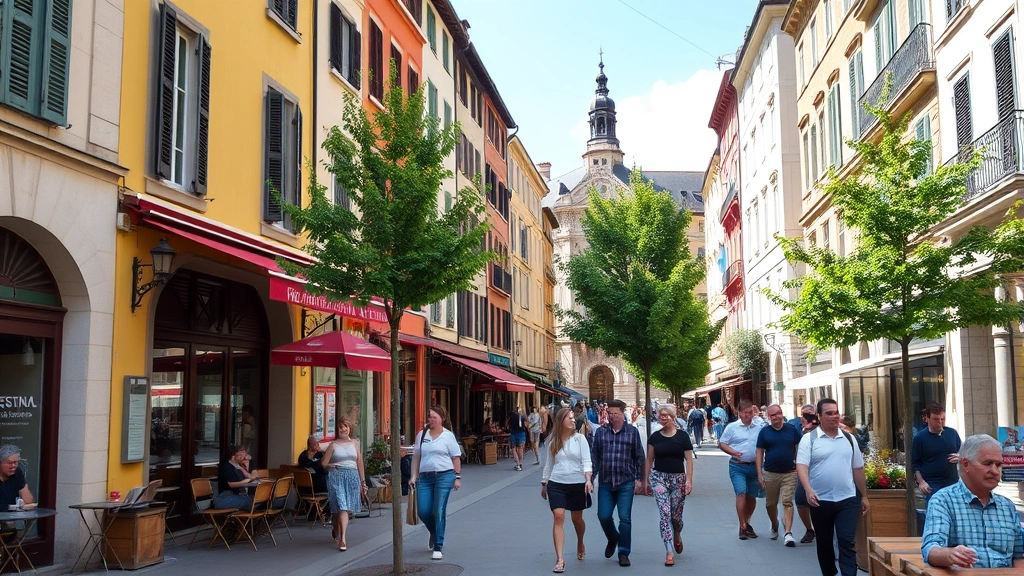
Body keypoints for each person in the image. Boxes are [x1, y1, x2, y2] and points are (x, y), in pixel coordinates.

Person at [921, 434, 1024, 568]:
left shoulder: (1007, 506)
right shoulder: (943, 501)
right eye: (987, 464)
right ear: (965, 464)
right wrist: (949, 555)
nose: (995, 471)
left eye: (998, 465)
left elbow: (1019, 557)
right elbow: (931, 549)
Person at [796, 398, 869, 576]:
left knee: (846, 541)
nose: (834, 416)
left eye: (836, 412)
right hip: (820, 500)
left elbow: (858, 468)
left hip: (848, 499)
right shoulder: (809, 439)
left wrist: (864, 496)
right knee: (825, 542)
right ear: (819, 416)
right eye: (829, 413)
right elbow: (802, 466)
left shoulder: (849, 438)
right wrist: (808, 490)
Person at [591, 399, 645, 567]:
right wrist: (590, 479)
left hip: (626, 482)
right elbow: (595, 457)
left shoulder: (632, 432)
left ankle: (623, 552)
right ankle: (613, 537)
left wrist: (639, 479)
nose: (611, 416)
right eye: (609, 413)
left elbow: (639, 456)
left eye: (615, 413)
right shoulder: (600, 432)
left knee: (625, 519)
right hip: (606, 482)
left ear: (623, 414)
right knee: (603, 516)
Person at [541, 408, 593, 573]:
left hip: (577, 483)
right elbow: (549, 464)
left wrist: (588, 480)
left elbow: (587, 461)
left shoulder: (580, 439)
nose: (573, 420)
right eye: (569, 418)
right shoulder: (553, 442)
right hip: (557, 483)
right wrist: (544, 483)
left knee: (577, 520)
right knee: (559, 517)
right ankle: (560, 559)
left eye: (573, 418)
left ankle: (580, 541)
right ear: (561, 421)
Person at [642, 405, 694, 567]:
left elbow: (689, 461)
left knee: (675, 517)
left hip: (678, 479)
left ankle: (677, 533)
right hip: (659, 478)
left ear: (673, 417)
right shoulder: (655, 437)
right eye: (660, 415)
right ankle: (669, 550)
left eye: (666, 415)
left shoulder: (683, 437)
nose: (663, 418)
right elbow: (649, 459)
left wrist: (689, 480)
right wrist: (646, 480)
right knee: (665, 515)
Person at [409, 405, 462, 561]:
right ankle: (434, 530)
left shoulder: (448, 436)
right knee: (423, 511)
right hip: (425, 477)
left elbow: (456, 457)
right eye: (429, 416)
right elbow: (416, 456)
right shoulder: (422, 434)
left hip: (444, 476)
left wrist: (457, 477)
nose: (430, 419)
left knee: (438, 510)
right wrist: (413, 476)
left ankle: (438, 545)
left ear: (441, 418)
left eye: (434, 417)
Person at [756, 404, 802, 547]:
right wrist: (759, 473)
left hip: (789, 473)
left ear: (782, 414)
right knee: (770, 504)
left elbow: (798, 448)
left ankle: (788, 533)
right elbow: (759, 452)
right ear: (768, 417)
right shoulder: (764, 432)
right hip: (770, 473)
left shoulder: (792, 430)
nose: (776, 417)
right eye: (772, 415)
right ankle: (775, 523)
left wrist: (798, 466)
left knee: (787, 502)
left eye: (778, 413)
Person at [718, 399, 763, 540]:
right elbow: (722, 443)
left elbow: (770, 428)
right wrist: (733, 452)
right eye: (744, 413)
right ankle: (742, 525)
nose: (747, 416)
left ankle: (747, 521)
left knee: (752, 496)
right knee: (741, 492)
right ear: (739, 413)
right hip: (737, 466)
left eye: (750, 412)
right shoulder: (732, 427)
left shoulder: (759, 425)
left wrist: (760, 415)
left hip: (754, 467)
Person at [322, 417, 367, 551]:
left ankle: (336, 527)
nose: (343, 429)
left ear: (349, 429)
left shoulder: (354, 443)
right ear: (338, 429)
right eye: (341, 427)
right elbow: (323, 463)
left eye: (345, 427)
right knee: (342, 505)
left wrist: (363, 481)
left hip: (352, 477)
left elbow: (359, 462)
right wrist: (331, 465)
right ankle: (343, 539)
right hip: (337, 476)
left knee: (344, 508)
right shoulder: (333, 445)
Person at [912, 402, 962, 503]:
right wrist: (921, 482)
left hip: (953, 482)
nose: (940, 422)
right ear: (927, 418)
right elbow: (915, 464)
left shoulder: (952, 433)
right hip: (932, 485)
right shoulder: (919, 438)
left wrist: (959, 457)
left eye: (942, 419)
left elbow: (964, 453)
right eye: (936, 419)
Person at [788, 404, 818, 544]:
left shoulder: (821, 428)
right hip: (803, 469)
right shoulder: (795, 426)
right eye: (805, 414)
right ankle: (809, 529)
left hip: (818, 471)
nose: (807, 417)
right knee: (800, 499)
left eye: (810, 414)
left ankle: (821, 528)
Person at [213, 445, 257, 510]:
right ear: (234, 455)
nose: (243, 457)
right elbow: (232, 484)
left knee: (257, 499)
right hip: (225, 498)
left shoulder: (238, 466)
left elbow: (250, 476)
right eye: (241, 455)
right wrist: (247, 480)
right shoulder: (227, 467)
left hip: (237, 496)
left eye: (244, 454)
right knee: (251, 500)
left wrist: (246, 467)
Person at [0, 445, 33, 510]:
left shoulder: (17, 473)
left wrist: (24, 485)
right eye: (9, 463)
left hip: (12, 518)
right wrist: (13, 507)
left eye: (16, 462)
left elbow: (28, 502)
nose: (13, 466)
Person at [507, 406, 528, 471]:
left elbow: (507, 426)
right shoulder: (522, 416)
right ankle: (520, 463)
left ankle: (517, 464)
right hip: (521, 433)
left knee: (514, 449)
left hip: (513, 433)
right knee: (520, 448)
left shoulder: (510, 417)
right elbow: (527, 425)